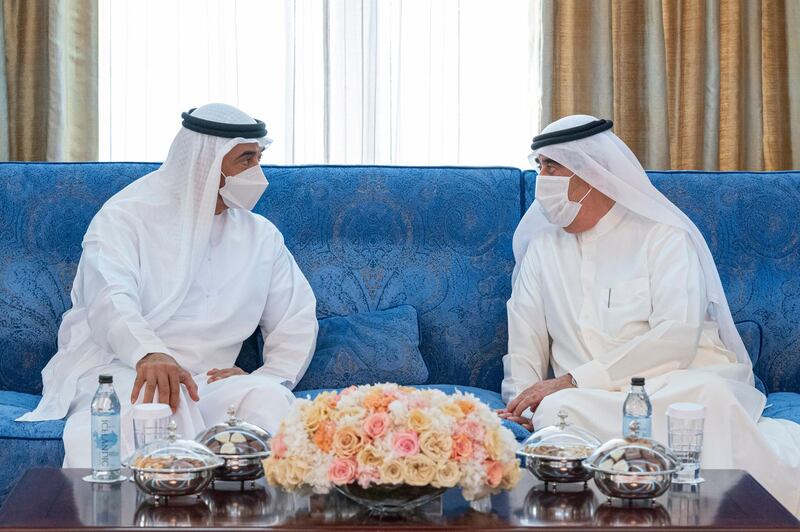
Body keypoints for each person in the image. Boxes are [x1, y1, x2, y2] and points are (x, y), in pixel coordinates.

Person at [498, 115, 800, 514]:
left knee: (704, 401)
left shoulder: (663, 238)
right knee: (554, 413)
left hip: (672, 384)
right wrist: (521, 404)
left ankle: (715, 512)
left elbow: (676, 338)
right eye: (539, 167)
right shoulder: (542, 249)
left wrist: (571, 379)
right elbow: (525, 340)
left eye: (552, 167)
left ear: (591, 173)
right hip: (583, 401)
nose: (542, 179)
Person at [18, 103, 319, 467]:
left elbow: (295, 318)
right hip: (123, 369)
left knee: (267, 400)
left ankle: (251, 519)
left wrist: (270, 376)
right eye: (245, 159)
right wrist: (149, 353)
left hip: (206, 380)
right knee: (162, 408)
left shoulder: (261, 237)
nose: (257, 172)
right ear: (206, 162)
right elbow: (109, 298)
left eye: (259, 158)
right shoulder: (125, 218)